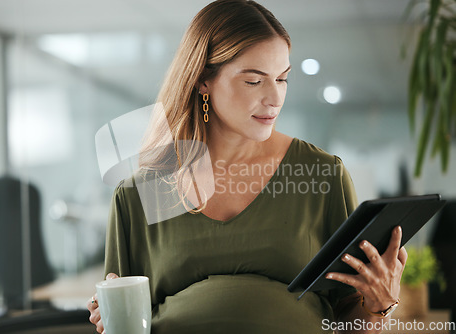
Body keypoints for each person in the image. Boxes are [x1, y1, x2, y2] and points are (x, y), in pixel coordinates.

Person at [88, 0, 407, 333]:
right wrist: (108, 317)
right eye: (254, 81)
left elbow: (347, 323)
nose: (275, 98)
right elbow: (123, 324)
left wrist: (378, 306)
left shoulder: (321, 176)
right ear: (202, 80)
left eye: (282, 79)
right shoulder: (141, 193)